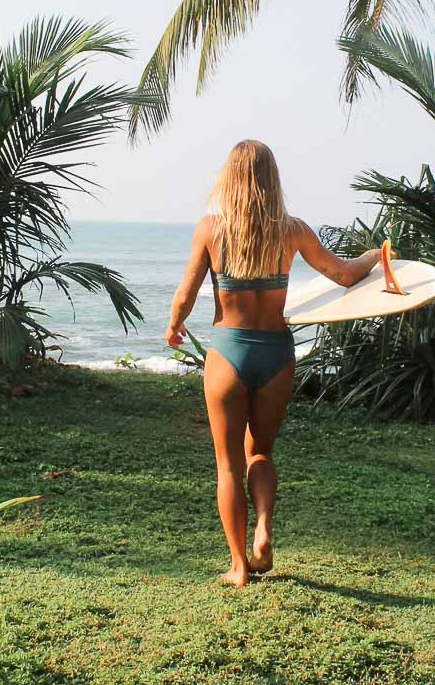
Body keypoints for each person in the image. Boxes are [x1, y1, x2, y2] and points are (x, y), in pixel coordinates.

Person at [166, 140, 388, 588]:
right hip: (276, 354)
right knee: (260, 452)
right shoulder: (293, 230)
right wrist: (374, 256)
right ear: (272, 178)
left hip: (228, 352)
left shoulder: (211, 229)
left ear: (229, 178)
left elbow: (187, 293)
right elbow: (345, 274)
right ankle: (264, 528)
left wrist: (174, 326)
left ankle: (238, 567)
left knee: (227, 465)